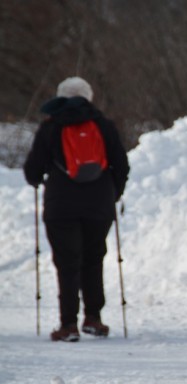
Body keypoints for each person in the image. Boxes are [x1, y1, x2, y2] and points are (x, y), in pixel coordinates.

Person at [23, 76, 130, 342]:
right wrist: (112, 193)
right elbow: (122, 165)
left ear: (60, 97)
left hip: (61, 205)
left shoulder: (51, 127)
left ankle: (68, 324)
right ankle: (93, 318)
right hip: (99, 204)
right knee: (93, 259)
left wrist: (41, 179)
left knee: (67, 263)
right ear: (88, 97)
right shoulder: (104, 125)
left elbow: (32, 171)